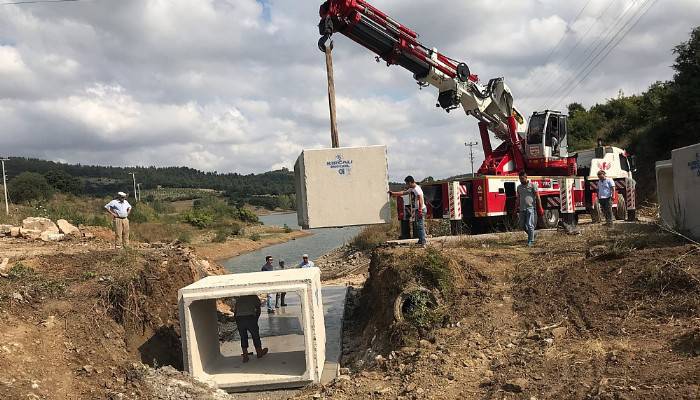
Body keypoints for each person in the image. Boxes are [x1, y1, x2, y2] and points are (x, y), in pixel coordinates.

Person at [388, 176, 427, 247]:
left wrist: (420, 210)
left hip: (420, 209)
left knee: (420, 225)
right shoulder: (412, 188)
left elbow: (420, 199)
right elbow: (404, 193)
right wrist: (393, 193)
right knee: (418, 225)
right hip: (418, 209)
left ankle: (423, 242)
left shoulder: (417, 189)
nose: (406, 185)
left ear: (410, 182)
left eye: (407, 183)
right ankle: (421, 240)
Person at [233, 294, 268, 363]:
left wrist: (238, 321)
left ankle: (245, 356)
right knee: (255, 336)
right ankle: (259, 352)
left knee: (243, 337)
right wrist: (256, 319)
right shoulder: (254, 296)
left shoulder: (240, 297)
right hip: (250, 318)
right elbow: (258, 307)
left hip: (239, 318)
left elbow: (235, 311)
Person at [517, 171, 544, 247]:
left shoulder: (532, 186)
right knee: (522, 225)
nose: (521, 180)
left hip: (530, 208)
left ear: (526, 177)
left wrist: (540, 208)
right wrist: (516, 208)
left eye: (522, 178)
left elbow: (538, 197)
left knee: (530, 224)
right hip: (522, 209)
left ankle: (530, 241)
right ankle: (532, 234)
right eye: (520, 179)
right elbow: (518, 198)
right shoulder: (519, 187)